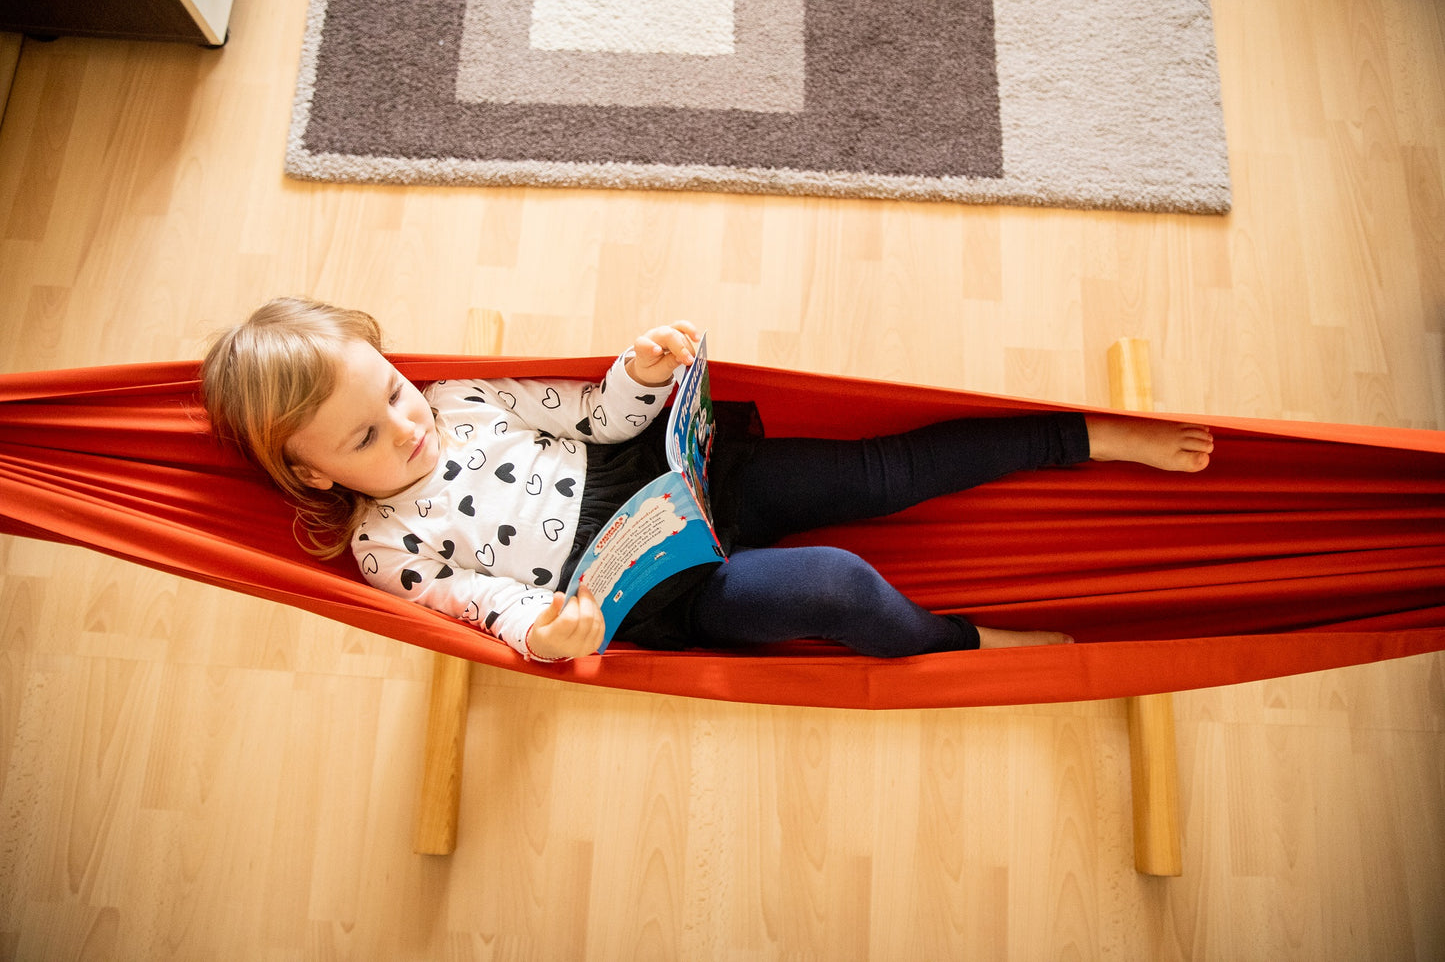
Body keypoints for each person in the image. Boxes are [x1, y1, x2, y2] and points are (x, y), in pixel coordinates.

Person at [201, 297, 1214, 663]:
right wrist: (542, 630)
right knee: (834, 586)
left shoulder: (459, 395)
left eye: (389, 389)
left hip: (685, 478)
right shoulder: (384, 546)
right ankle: (961, 641)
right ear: (311, 471)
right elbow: (479, 601)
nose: (404, 426)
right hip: (648, 591)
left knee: (882, 471)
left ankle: (1074, 439)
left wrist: (636, 375)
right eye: (365, 438)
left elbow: (598, 420)